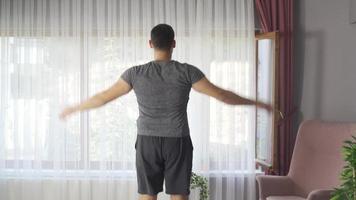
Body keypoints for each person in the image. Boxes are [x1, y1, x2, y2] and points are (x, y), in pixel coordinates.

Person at [59, 24, 272, 200]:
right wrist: (258, 103)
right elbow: (222, 95)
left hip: (147, 141)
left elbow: (103, 97)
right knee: (179, 196)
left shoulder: (135, 73)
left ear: (150, 44)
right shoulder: (187, 72)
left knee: (147, 196)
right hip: (177, 141)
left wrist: (75, 108)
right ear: (174, 44)